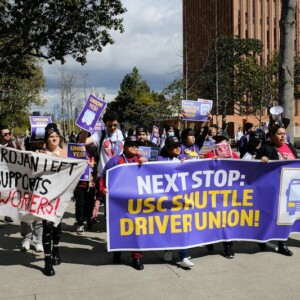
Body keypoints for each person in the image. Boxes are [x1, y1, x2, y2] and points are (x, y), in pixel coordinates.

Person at [99, 135, 148, 270]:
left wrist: (147, 163)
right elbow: (103, 177)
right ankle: (117, 252)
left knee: (137, 229)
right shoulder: (115, 160)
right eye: (131, 144)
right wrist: (103, 189)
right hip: (119, 202)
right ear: (125, 147)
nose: (134, 147)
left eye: (136, 145)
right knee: (119, 228)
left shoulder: (141, 160)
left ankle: (137, 257)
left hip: (136, 202)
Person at [256, 124, 298, 256]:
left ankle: (282, 244)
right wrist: (261, 159)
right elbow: (255, 164)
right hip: (274, 189)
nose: (283, 136)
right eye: (280, 134)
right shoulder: (266, 148)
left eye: (284, 133)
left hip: (290, 190)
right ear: (272, 136)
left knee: (285, 216)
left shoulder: (290, 147)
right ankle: (261, 237)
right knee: (269, 216)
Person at [157, 136, 195, 268]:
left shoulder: (184, 158)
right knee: (167, 226)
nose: (178, 148)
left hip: (180, 201)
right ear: (167, 148)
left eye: (179, 145)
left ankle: (184, 255)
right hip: (165, 200)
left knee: (180, 226)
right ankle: (167, 249)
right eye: (174, 146)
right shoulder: (160, 159)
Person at [37, 123, 67, 276]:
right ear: (46, 139)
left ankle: (56, 248)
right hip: (45, 198)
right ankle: (47, 261)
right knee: (46, 227)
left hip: (60, 197)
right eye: (51, 136)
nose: (54, 139)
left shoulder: (64, 153)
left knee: (57, 226)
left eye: (56, 136)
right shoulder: (41, 154)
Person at [204, 132, 239, 258]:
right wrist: (209, 162)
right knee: (211, 220)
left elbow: (244, 169)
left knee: (227, 221)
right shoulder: (209, 154)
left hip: (228, 196)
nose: (219, 143)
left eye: (222, 140)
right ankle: (209, 241)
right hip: (212, 196)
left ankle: (228, 247)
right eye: (217, 141)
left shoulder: (234, 156)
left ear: (227, 143)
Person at [0, 125, 21, 223]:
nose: (8, 135)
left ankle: (7, 215)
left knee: (8, 194)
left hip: (11, 175)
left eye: (9, 133)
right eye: (5, 134)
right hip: (1, 174)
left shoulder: (14, 144)